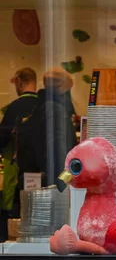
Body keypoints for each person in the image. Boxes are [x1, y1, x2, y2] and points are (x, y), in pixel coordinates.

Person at [16, 67, 77, 190]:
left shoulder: (38, 110)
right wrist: (65, 182)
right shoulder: (56, 112)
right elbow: (60, 158)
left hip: (33, 183)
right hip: (51, 186)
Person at [0, 67, 39, 241]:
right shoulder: (43, 105)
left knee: (15, 213)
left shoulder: (13, 108)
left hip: (16, 172)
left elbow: (2, 138)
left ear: (19, 81)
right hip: (42, 171)